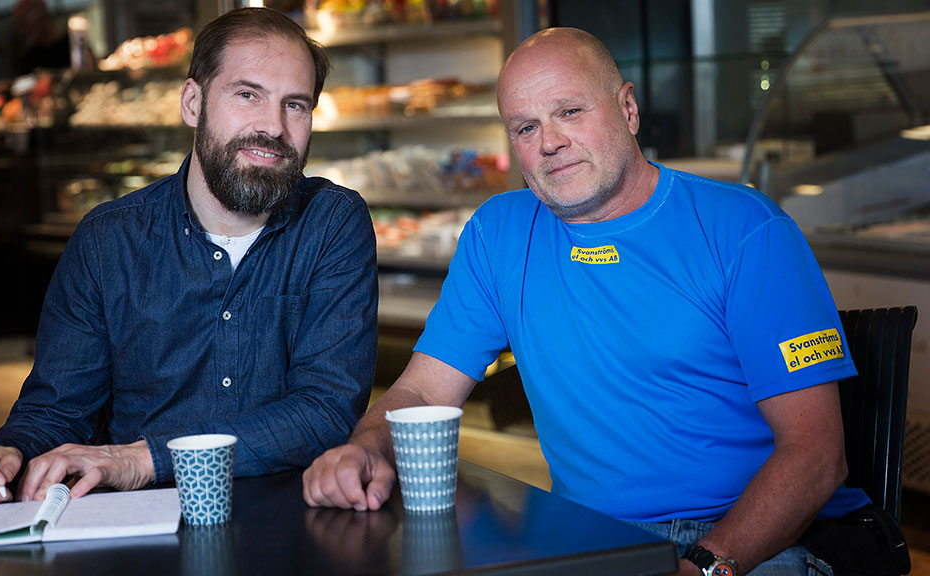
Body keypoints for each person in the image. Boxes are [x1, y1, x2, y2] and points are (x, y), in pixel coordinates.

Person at [303, 27, 871, 575]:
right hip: (586, 534)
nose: (549, 142)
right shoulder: (498, 233)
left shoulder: (744, 229)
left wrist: (701, 566)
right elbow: (424, 390)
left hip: (751, 535)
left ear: (627, 109)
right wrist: (367, 447)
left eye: (569, 112)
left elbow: (816, 455)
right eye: (525, 127)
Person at [0, 7, 377, 507]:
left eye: (296, 105)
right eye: (247, 94)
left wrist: (142, 460)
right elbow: (56, 412)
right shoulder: (108, 240)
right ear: (193, 102)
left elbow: (324, 410)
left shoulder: (332, 224)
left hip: (289, 519)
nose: (274, 127)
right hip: (135, 527)